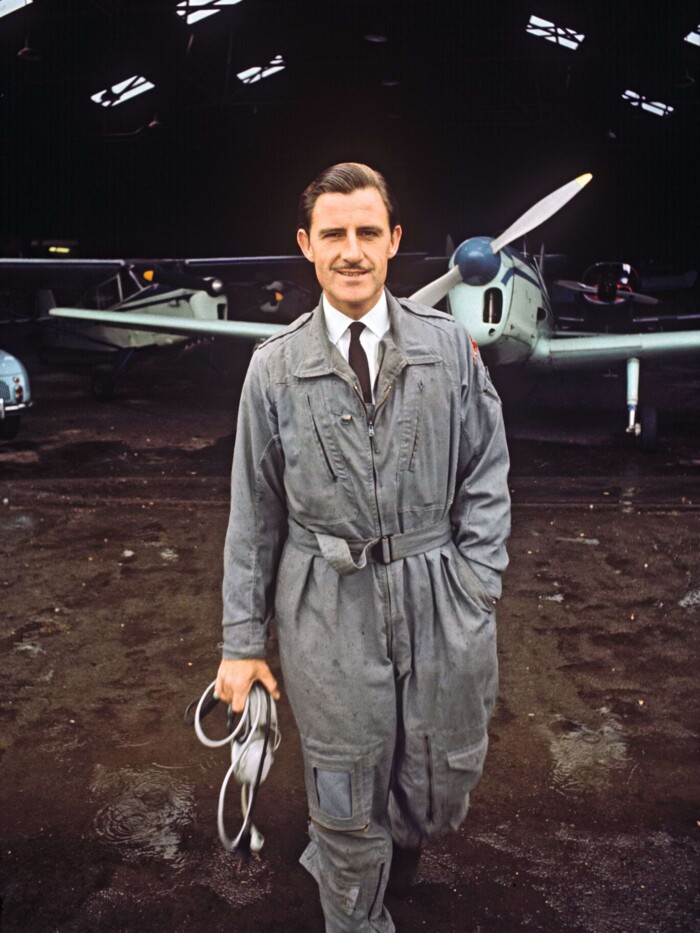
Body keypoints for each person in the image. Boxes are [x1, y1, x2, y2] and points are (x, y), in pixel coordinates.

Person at [214, 162, 510, 932]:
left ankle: (388, 865)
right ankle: (356, 906)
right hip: (326, 598)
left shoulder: (448, 349)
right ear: (307, 245)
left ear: (394, 240)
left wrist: (477, 581)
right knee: (346, 783)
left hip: (438, 589)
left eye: (368, 232)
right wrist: (241, 643)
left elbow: (486, 468)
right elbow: (254, 512)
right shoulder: (274, 367)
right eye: (334, 234)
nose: (352, 251)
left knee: (436, 772)